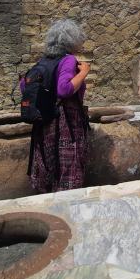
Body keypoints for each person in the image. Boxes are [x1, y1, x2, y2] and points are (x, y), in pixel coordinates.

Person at [29, 19, 91, 192]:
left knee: (49, 163)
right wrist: (85, 72)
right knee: (68, 165)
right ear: (72, 41)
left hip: (45, 120)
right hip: (65, 122)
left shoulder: (44, 60)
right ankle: (66, 205)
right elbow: (64, 90)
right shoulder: (68, 60)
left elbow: (24, 85)